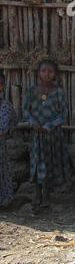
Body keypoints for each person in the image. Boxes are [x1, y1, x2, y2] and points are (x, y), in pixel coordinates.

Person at [23, 59, 71, 216]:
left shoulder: (59, 92)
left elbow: (63, 113)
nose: (47, 74)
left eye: (50, 71)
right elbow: (26, 110)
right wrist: (33, 123)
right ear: (38, 73)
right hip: (37, 135)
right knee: (37, 164)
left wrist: (48, 126)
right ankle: (37, 195)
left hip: (52, 136)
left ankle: (47, 196)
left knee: (50, 164)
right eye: (43, 70)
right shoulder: (32, 91)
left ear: (55, 74)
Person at [0, 73, 18, 208]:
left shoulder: (7, 106)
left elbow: (13, 124)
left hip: (1, 148)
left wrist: (5, 134)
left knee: (3, 173)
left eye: (0, 84)